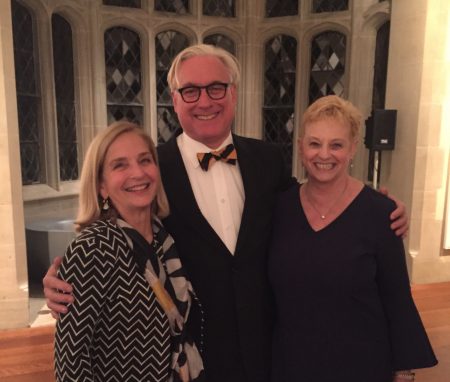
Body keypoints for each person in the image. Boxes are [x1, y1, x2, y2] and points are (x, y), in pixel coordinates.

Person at [44, 45, 409, 382]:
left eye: (216, 88)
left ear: (233, 92)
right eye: (191, 90)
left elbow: (312, 209)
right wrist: (62, 286)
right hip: (193, 359)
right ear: (174, 99)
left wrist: (370, 208)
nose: (205, 100)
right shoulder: (153, 171)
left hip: (270, 351)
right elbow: (115, 241)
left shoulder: (267, 159)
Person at [268, 95, 437, 382]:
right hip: (292, 362)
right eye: (314, 143)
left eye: (336, 145)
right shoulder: (279, 208)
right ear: (300, 147)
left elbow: (396, 296)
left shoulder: (381, 213)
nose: (324, 154)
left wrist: (405, 372)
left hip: (361, 363)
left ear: (353, 148)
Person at [53, 121, 204, 381]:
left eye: (145, 160)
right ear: (101, 186)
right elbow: (71, 363)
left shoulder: (164, 240)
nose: (138, 173)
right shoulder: (93, 248)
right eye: (120, 165)